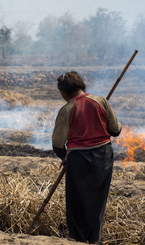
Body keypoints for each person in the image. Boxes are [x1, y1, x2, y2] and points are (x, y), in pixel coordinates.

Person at [52, 71, 122, 244]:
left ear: (64, 92)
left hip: (78, 160)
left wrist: (65, 157)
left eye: (61, 93)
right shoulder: (101, 102)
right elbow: (116, 130)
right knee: (98, 201)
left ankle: (78, 239)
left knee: (77, 203)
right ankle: (93, 240)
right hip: (104, 157)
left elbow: (57, 144)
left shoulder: (67, 109)